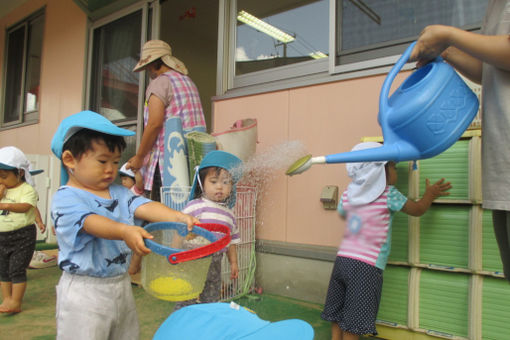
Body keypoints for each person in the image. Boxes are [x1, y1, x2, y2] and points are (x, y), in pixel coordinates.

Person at [50, 110, 200, 340]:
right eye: (102, 161)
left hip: (120, 284)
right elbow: (91, 222)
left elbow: (145, 206)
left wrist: (178, 216)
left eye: (115, 162)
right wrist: (124, 231)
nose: (111, 169)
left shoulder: (119, 192)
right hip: (84, 291)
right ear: (70, 159)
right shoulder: (67, 198)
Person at [409, 1, 510, 282]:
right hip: (502, 172)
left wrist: (449, 35)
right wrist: (446, 50)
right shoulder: (495, 8)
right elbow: (491, 69)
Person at [321, 142, 452, 340]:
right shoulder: (389, 194)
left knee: (338, 312)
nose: (395, 171)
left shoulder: (348, 194)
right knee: (354, 323)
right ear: (378, 172)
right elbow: (417, 210)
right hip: (366, 265)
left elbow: (342, 210)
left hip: (343, 260)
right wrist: (429, 195)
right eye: (392, 166)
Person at [127, 39, 206, 201]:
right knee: (187, 212)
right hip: (192, 158)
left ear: (155, 62)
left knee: (164, 213)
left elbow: (155, 123)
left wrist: (139, 157)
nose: (148, 70)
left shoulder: (160, 82)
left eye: (148, 65)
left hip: (168, 163)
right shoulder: (188, 81)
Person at [174, 150, 242, 311]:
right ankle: (182, 318)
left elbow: (231, 241)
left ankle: (207, 316)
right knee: (187, 293)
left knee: (211, 294)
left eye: (226, 182)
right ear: (202, 183)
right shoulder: (196, 206)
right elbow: (180, 229)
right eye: (213, 181)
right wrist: (174, 252)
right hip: (193, 259)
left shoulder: (230, 215)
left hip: (216, 262)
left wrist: (234, 262)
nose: (220, 186)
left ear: (232, 187)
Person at [0, 146, 44, 313]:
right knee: (3, 269)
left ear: (19, 173)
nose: (1, 180)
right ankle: (7, 299)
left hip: (22, 236)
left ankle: (16, 302)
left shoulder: (27, 189)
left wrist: (5, 204)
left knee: (16, 269)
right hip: (2, 236)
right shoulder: (2, 189)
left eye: (4, 176)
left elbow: (26, 207)